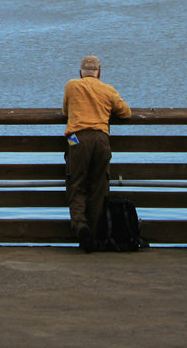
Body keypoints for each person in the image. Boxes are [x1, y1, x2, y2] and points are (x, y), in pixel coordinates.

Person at [62, 55, 132, 253]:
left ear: (80, 73)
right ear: (99, 74)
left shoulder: (71, 86)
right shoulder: (107, 89)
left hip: (77, 139)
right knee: (99, 187)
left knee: (76, 185)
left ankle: (80, 227)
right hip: (101, 140)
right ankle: (94, 234)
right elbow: (126, 113)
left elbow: (65, 110)